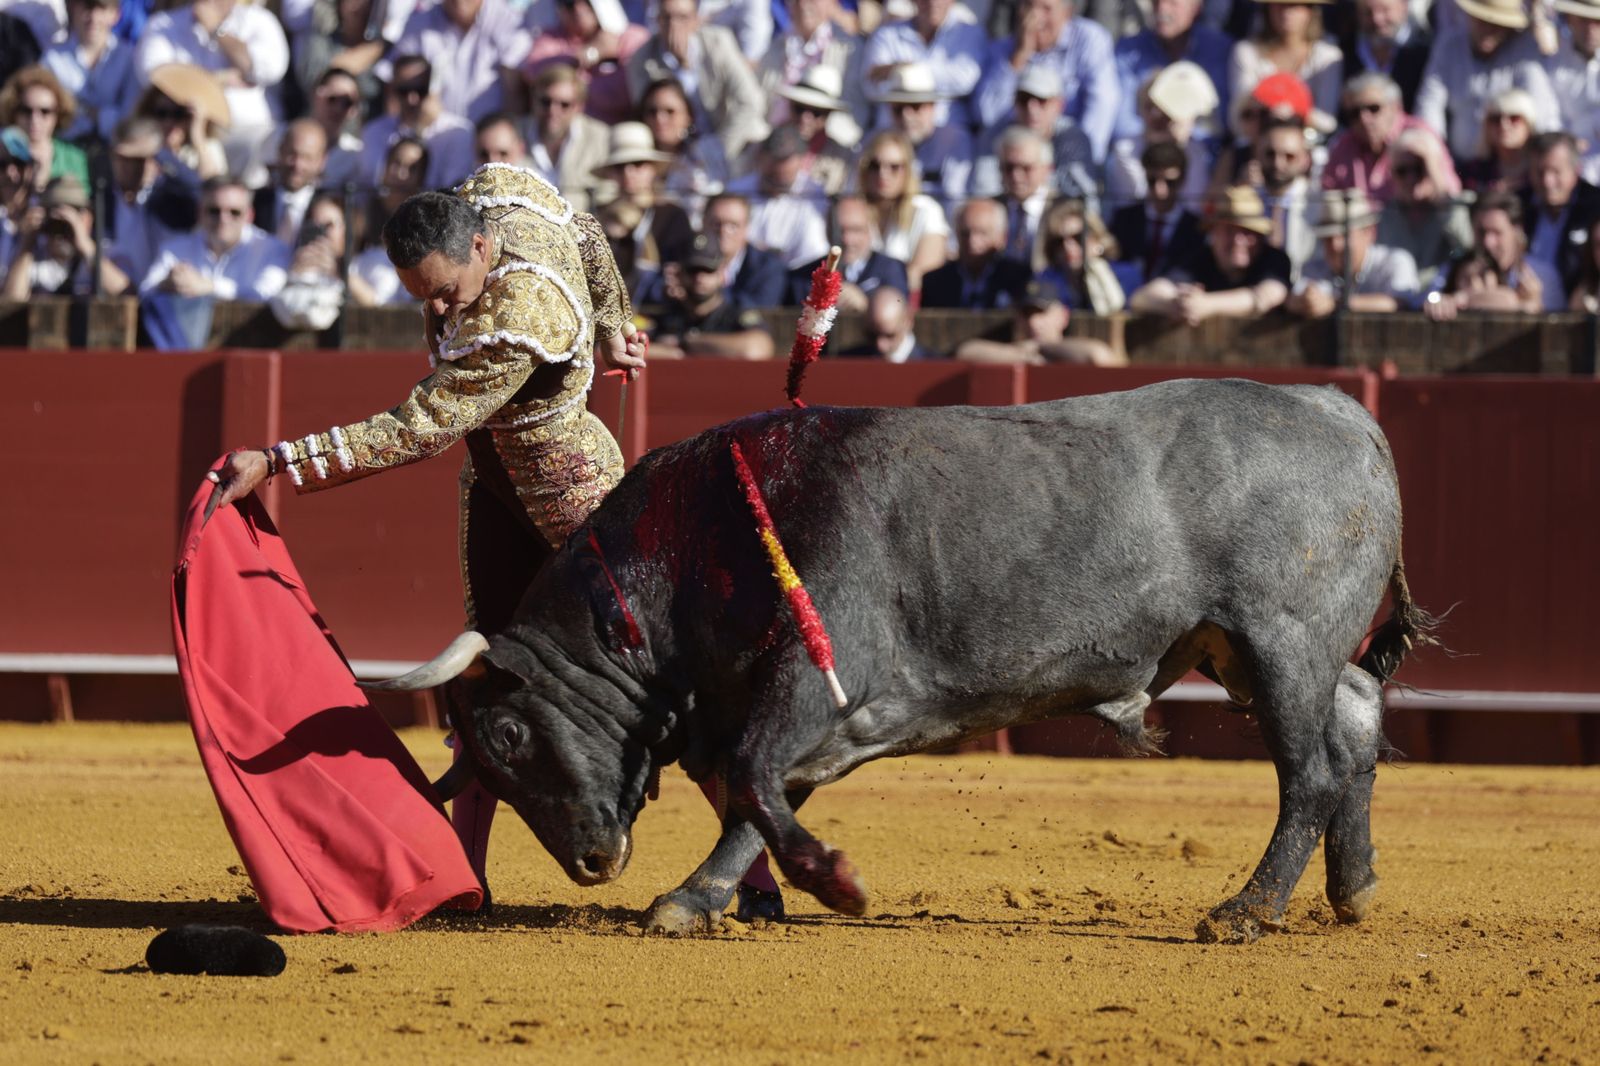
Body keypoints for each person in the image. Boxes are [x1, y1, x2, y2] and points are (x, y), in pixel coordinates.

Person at [200, 164, 668, 913]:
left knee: (655, 667)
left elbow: (417, 428)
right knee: (480, 681)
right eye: (425, 298)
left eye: (447, 291)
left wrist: (283, 459)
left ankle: (747, 874)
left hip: (573, 492)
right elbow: (584, 229)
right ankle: (466, 879)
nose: (443, 309)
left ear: (483, 247)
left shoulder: (521, 315)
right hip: (492, 485)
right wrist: (615, 327)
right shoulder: (500, 198)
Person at [133, 0, 290, 184]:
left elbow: (271, 69)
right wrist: (219, 80)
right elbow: (154, 74)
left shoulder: (259, 20)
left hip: (245, 132)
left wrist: (217, 30)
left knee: (266, 143)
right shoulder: (164, 23)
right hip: (184, 129)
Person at [1413, 0, 1560, 165]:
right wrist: (1435, 155)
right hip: (1457, 163)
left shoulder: (1525, 51)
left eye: (1496, 24)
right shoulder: (1448, 46)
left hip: (1511, 168)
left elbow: (1542, 116)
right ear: (1470, 16)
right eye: (1482, 21)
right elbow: (1429, 106)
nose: (1488, 30)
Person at [974, 0, 1118, 167]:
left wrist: (1086, 157)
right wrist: (1021, 54)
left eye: (1046, 9)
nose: (1035, 17)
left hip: (1069, 148)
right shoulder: (1005, 47)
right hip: (1015, 153)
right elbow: (987, 115)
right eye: (1028, 6)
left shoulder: (1090, 39)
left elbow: (1102, 104)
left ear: (1067, 12)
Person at [625, 0, 769, 164]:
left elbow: (750, 101)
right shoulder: (642, 61)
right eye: (667, 17)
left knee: (755, 132)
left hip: (730, 142)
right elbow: (649, 118)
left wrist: (719, 150)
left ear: (696, 20)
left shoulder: (719, 42)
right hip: (679, 155)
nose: (674, 24)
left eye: (682, 17)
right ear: (657, 20)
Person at [1129, 185, 1292, 325]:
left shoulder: (1274, 260)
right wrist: (1175, 305)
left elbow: (1267, 296)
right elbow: (1141, 298)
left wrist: (1206, 305)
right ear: (1213, 234)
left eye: (1247, 232)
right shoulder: (1199, 258)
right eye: (1229, 231)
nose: (1238, 241)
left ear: (1260, 237)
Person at [382, 0, 534, 124]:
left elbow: (515, 97)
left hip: (488, 147)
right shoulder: (419, 23)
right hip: (432, 141)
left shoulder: (512, 23)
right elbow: (395, 87)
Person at [141, 176, 291, 301]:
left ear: (249, 216)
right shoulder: (174, 249)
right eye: (214, 211)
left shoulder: (273, 250)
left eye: (234, 212)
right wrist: (166, 284)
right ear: (200, 213)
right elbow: (144, 293)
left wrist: (210, 287)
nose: (223, 219)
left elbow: (267, 296)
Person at [1320, 73, 1459, 203]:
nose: (1364, 119)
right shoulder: (1343, 147)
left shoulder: (1421, 136)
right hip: (1359, 227)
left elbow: (1451, 196)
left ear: (1395, 107)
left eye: (1373, 108)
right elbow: (1327, 202)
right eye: (1354, 113)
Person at [1424, 191, 1565, 318]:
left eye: (1496, 232)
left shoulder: (1543, 276)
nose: (1488, 242)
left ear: (1516, 231)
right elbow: (1430, 298)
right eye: (1482, 232)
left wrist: (1463, 299)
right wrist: (1441, 302)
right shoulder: (1457, 269)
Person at [974, 65, 1097, 208]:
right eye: (1024, 99)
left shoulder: (1073, 139)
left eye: (1041, 100)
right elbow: (983, 192)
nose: (1032, 109)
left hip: (1056, 218)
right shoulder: (996, 135)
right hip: (1007, 217)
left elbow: (1081, 199)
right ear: (1014, 102)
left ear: (1059, 105)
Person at [1104, 60, 1217, 216]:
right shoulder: (1125, 150)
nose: (1156, 114)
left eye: (1164, 106)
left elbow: (1193, 208)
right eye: (1149, 106)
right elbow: (1141, 205)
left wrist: (1179, 147)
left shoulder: (1195, 151)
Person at [1285, 189, 1419, 317]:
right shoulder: (1315, 267)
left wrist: (1335, 303)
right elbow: (1296, 298)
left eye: (1344, 235)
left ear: (1369, 233)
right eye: (1327, 237)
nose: (1335, 245)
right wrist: (1304, 301)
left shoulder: (1396, 261)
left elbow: (1397, 302)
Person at [1111, 0, 1231, 142]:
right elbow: (1123, 122)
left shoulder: (1220, 49)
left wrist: (1189, 132)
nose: (1162, 10)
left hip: (1203, 154)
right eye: (1156, 2)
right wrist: (1156, 135)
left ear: (1196, 8)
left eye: (1172, 3)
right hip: (1142, 151)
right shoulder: (1128, 50)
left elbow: (1219, 119)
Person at [591, 120, 695, 281]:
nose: (628, 172)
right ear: (610, 172)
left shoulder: (673, 216)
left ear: (653, 168)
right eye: (620, 166)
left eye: (638, 164)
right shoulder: (598, 218)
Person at [647, 231, 776, 359]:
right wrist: (673, 354)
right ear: (679, 273)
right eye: (693, 270)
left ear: (722, 273)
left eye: (708, 270)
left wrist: (689, 342)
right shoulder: (669, 314)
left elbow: (756, 349)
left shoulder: (736, 312)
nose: (699, 277)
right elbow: (636, 348)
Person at [520, 0, 649, 126]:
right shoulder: (550, 38)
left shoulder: (631, 37)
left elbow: (631, 90)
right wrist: (590, 54)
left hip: (619, 128)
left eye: (587, 2)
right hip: (569, 131)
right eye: (569, 3)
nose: (578, 9)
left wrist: (578, 77)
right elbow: (534, 72)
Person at [864, 0, 988, 130]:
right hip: (893, 127)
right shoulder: (886, 34)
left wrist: (902, 71)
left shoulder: (969, 33)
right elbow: (870, 85)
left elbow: (964, 80)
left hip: (947, 128)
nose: (932, 3)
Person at [1375, 128, 1474, 289]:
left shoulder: (1454, 207)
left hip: (1444, 302)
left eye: (1419, 168)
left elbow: (1466, 245)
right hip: (1398, 303)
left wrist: (1438, 181)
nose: (1411, 178)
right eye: (1402, 171)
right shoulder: (1386, 216)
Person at [757, 0, 868, 141]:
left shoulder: (849, 49)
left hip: (827, 148)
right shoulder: (775, 47)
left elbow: (854, 115)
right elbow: (758, 104)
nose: (803, 5)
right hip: (776, 145)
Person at [3, 173, 128, 297]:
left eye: (71, 213)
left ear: (88, 218)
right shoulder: (33, 259)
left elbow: (126, 294)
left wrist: (85, 246)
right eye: (54, 216)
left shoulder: (104, 253)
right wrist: (26, 246)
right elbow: (10, 304)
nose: (61, 230)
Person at [856, 128, 950, 291]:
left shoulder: (927, 211)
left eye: (894, 167)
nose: (882, 174)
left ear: (908, 171)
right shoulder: (853, 211)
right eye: (874, 165)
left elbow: (924, 274)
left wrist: (870, 294)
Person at [724, 125, 829, 269]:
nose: (775, 186)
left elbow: (812, 255)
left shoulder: (814, 198)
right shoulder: (736, 191)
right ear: (760, 157)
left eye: (783, 182)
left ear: (801, 162)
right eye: (770, 177)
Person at [1228, 0, 1343, 130]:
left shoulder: (1328, 56)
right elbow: (1239, 114)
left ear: (1310, 11)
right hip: (1258, 139)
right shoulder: (1246, 51)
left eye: (1295, 6)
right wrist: (1268, 110)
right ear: (1267, 9)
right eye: (1279, 5)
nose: (1287, 12)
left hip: (1310, 142)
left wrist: (1296, 113)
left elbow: (1328, 121)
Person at [955, 279, 1122, 365]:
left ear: (1062, 316)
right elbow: (965, 352)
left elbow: (1098, 356)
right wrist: (1023, 353)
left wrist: (1041, 346)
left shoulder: (1074, 351)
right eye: (1026, 314)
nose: (1033, 322)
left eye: (1041, 313)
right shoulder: (1015, 350)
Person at [879, 63, 974, 212]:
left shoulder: (954, 141)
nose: (907, 116)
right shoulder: (876, 144)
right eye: (898, 108)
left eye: (915, 106)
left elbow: (955, 202)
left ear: (933, 106)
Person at [786, 194, 908, 309]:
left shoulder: (892, 270)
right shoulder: (802, 278)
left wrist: (866, 306)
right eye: (839, 231)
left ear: (870, 231)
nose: (847, 240)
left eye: (856, 230)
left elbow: (901, 315)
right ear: (827, 230)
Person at [1110, 140, 1206, 286]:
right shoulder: (1124, 219)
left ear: (1183, 180)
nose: (1160, 191)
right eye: (1152, 180)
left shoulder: (1197, 228)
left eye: (1170, 182)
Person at [347, 137, 429, 308]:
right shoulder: (362, 213)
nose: (400, 174)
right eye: (396, 163)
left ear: (421, 178)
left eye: (412, 169)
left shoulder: (425, 226)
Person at [639, 77, 727, 227]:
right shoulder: (636, 159)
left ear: (688, 116)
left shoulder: (707, 153)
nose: (660, 118)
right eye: (652, 111)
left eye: (670, 111)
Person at [42, 0, 134, 143]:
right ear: (72, 9)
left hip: (115, 149)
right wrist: (104, 114)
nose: (93, 18)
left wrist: (86, 112)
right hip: (65, 146)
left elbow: (131, 115)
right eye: (87, 7)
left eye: (102, 9)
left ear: (116, 15)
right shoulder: (52, 57)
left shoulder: (128, 57)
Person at [1520, 131, 1600, 295]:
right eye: (1540, 172)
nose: (1547, 182)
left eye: (1556, 171)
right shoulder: (1518, 206)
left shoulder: (1596, 206)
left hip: (1581, 307)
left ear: (1576, 170)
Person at [522, 64, 609, 212]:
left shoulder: (599, 139)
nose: (553, 111)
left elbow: (606, 198)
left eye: (564, 104)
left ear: (579, 107)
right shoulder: (513, 134)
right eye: (545, 101)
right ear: (533, 99)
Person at [920, 198, 1031, 310]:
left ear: (1002, 237)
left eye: (982, 233)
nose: (972, 241)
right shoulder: (935, 282)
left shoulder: (1018, 280)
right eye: (965, 233)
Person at [132, 63, 230, 187]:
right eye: (162, 113)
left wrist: (198, 136)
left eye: (179, 114)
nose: (169, 122)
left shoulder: (208, 147)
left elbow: (214, 186)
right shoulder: (143, 148)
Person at [766, 66, 855, 197]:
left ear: (828, 115)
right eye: (800, 108)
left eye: (816, 112)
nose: (805, 118)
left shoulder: (840, 158)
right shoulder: (765, 146)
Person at [269, 189, 348, 331]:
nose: (322, 233)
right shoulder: (288, 261)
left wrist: (337, 273)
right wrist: (293, 275)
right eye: (315, 226)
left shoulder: (360, 266)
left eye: (329, 225)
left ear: (346, 228)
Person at [1035, 197, 1129, 313]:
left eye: (1077, 238)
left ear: (1097, 238)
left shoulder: (1125, 275)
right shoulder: (1046, 280)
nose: (1067, 247)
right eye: (1058, 241)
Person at [0, 65, 87, 192]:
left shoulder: (74, 158)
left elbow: (82, 206)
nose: (35, 119)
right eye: (26, 111)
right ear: (13, 112)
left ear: (58, 114)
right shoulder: (3, 154)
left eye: (45, 111)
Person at [1338, 0, 1432, 113]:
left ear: (1404, 7)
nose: (1377, 19)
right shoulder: (1344, 51)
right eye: (1368, 12)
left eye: (1385, 10)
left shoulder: (1428, 51)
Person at [1253, 117, 1316, 278]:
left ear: (1305, 160)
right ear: (1257, 154)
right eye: (1270, 154)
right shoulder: (1243, 200)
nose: (1278, 164)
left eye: (1289, 156)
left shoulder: (1318, 203)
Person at [253, 118, 327, 247]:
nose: (298, 165)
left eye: (307, 158)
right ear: (280, 151)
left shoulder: (329, 207)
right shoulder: (254, 201)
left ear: (322, 161)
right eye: (292, 154)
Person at [1549, 0, 1600, 186]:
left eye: (1598, 22)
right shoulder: (1553, 65)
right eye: (1584, 20)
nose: (1591, 29)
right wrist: (1568, 144)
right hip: (1567, 173)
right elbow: (1550, 118)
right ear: (1570, 19)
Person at [986, 126, 1055, 264]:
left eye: (1026, 168)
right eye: (1009, 168)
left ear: (1046, 169)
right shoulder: (989, 209)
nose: (1016, 176)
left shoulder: (1064, 208)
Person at [1457, 87, 1538, 194]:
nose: (1504, 125)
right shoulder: (1474, 173)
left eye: (1514, 118)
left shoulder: (1542, 169)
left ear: (1529, 125)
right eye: (1496, 119)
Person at [302, 68, 366, 191]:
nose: (338, 108)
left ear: (354, 110)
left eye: (347, 102)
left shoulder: (356, 153)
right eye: (333, 99)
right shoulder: (283, 137)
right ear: (315, 96)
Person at [839, 285, 938, 361]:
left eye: (890, 336)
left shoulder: (935, 365)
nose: (880, 345)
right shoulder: (848, 361)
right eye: (872, 335)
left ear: (908, 320)